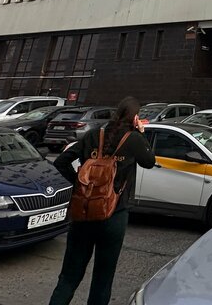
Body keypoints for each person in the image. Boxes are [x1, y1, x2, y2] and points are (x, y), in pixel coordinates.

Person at [49, 97, 156, 305]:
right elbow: (149, 161)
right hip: (114, 215)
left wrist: (80, 185)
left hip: (83, 213)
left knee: (69, 276)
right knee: (102, 279)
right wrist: (142, 133)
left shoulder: (93, 135)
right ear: (135, 117)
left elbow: (61, 161)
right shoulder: (133, 139)